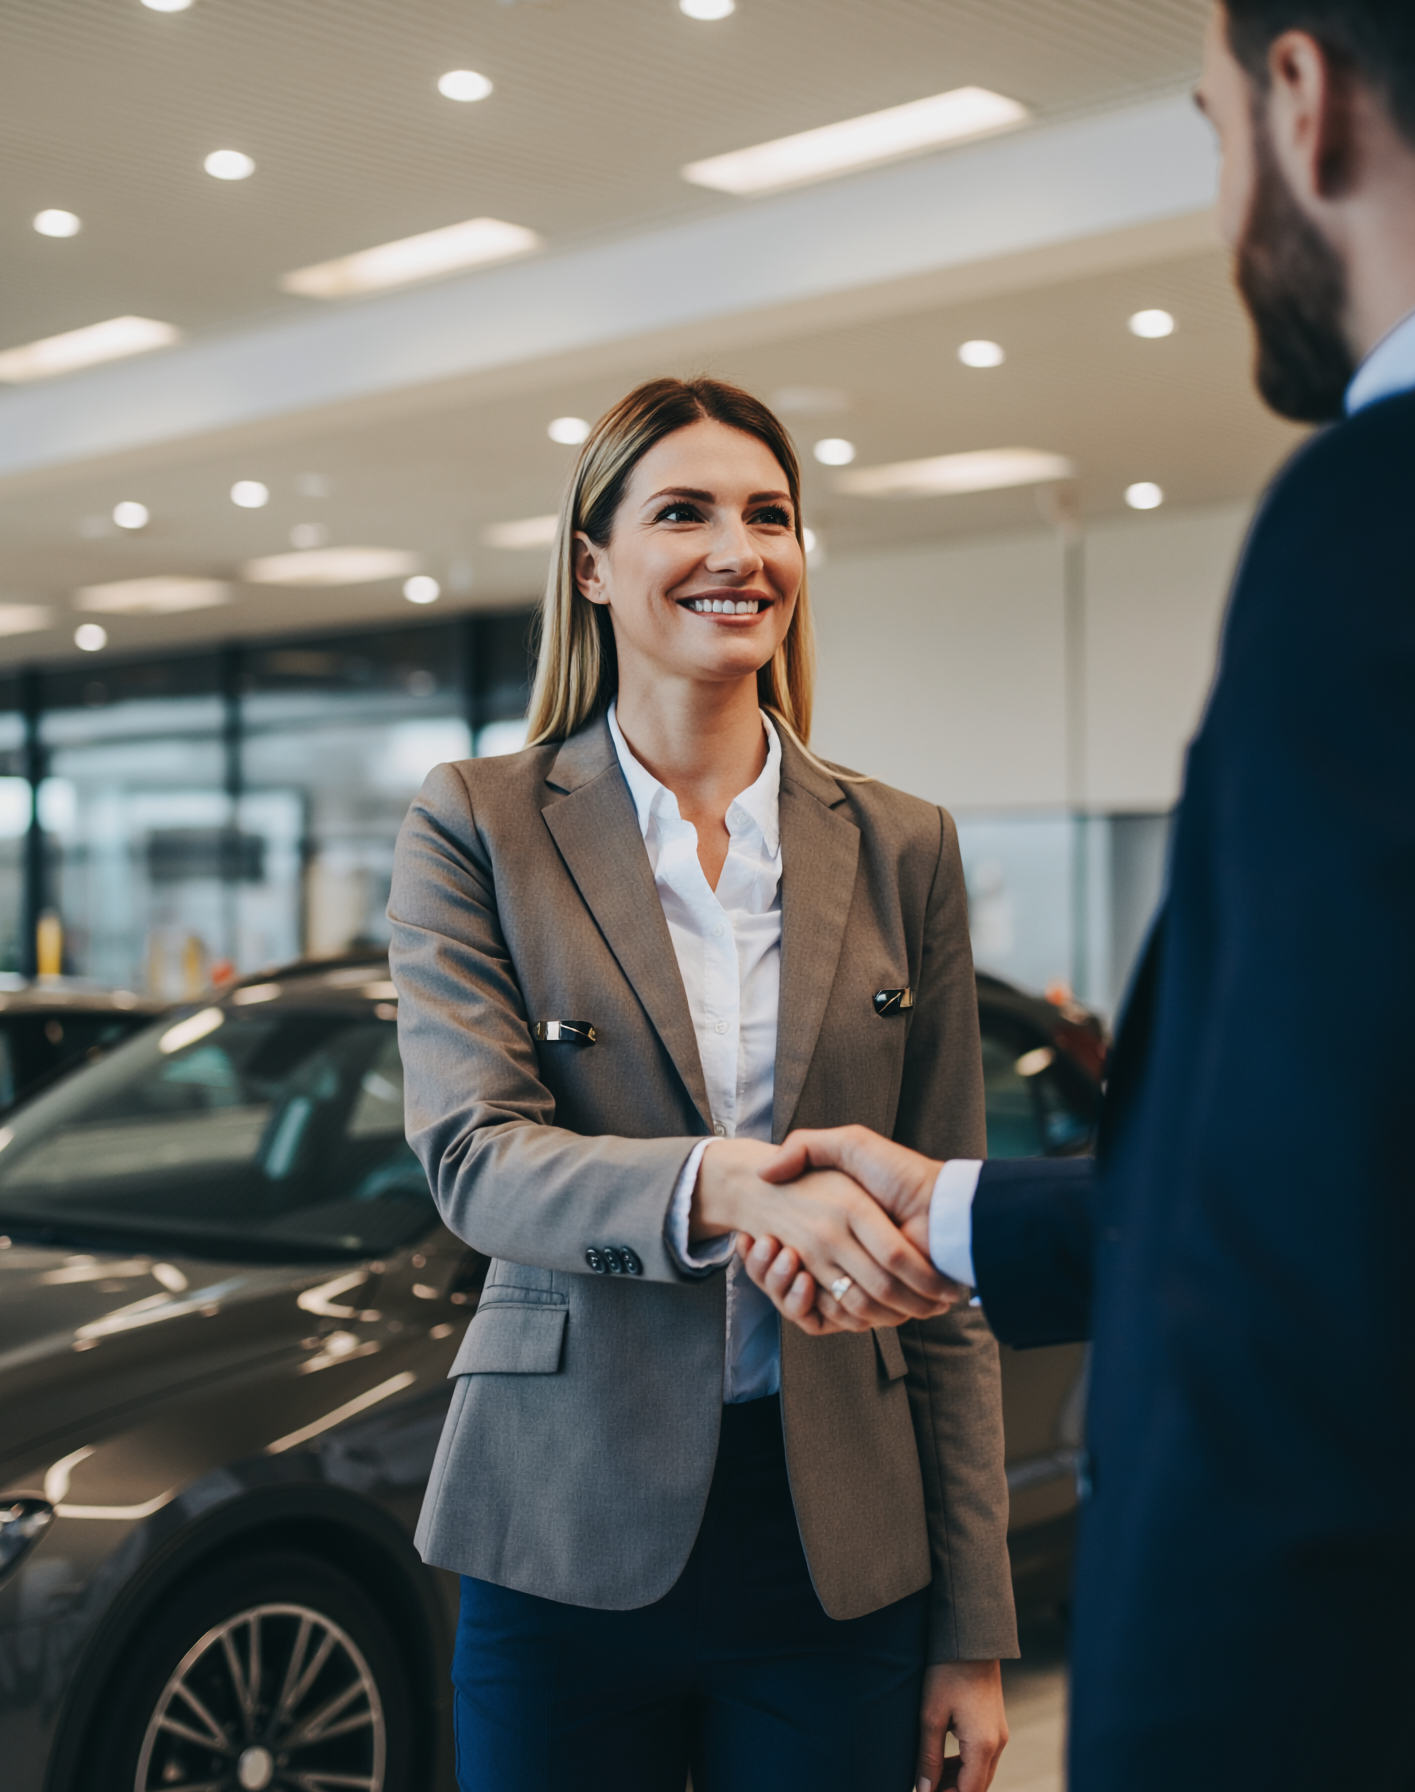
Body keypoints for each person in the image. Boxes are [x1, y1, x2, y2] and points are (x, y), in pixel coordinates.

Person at [745, 1, 1415, 1787]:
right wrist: (953, 1217)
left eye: (1208, 128)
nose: (1221, 195)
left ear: (1304, 100)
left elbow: (1328, 1337)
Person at [386, 375, 1013, 1792]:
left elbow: (950, 1252)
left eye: (769, 514)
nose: (741, 551)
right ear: (594, 566)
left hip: (838, 1542)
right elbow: (476, 1158)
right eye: (686, 512)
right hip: (560, 1522)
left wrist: (973, 1627)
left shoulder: (903, 845)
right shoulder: (478, 822)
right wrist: (723, 1187)